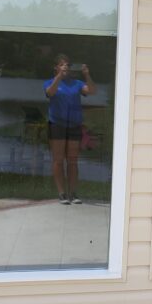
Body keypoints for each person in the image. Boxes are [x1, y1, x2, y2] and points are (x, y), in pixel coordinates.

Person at [44, 54, 96, 205]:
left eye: (67, 65)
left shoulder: (77, 83)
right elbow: (50, 93)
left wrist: (87, 75)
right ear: (56, 68)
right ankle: (62, 193)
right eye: (62, 65)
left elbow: (91, 91)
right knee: (58, 160)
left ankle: (73, 193)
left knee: (73, 161)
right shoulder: (50, 82)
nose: (65, 67)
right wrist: (59, 77)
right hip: (57, 124)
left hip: (74, 125)